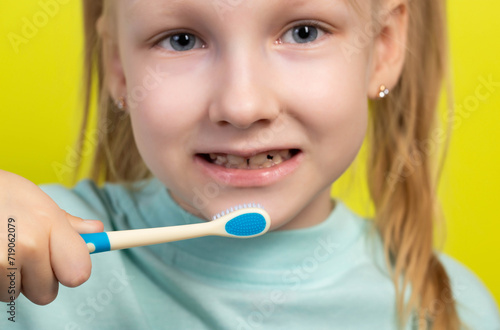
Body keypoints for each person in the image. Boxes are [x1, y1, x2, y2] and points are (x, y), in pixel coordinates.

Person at [1, 0, 499, 329]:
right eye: (181, 40)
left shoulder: (450, 310)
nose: (241, 105)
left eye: (304, 33)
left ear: (385, 46)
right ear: (117, 66)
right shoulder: (22, 257)